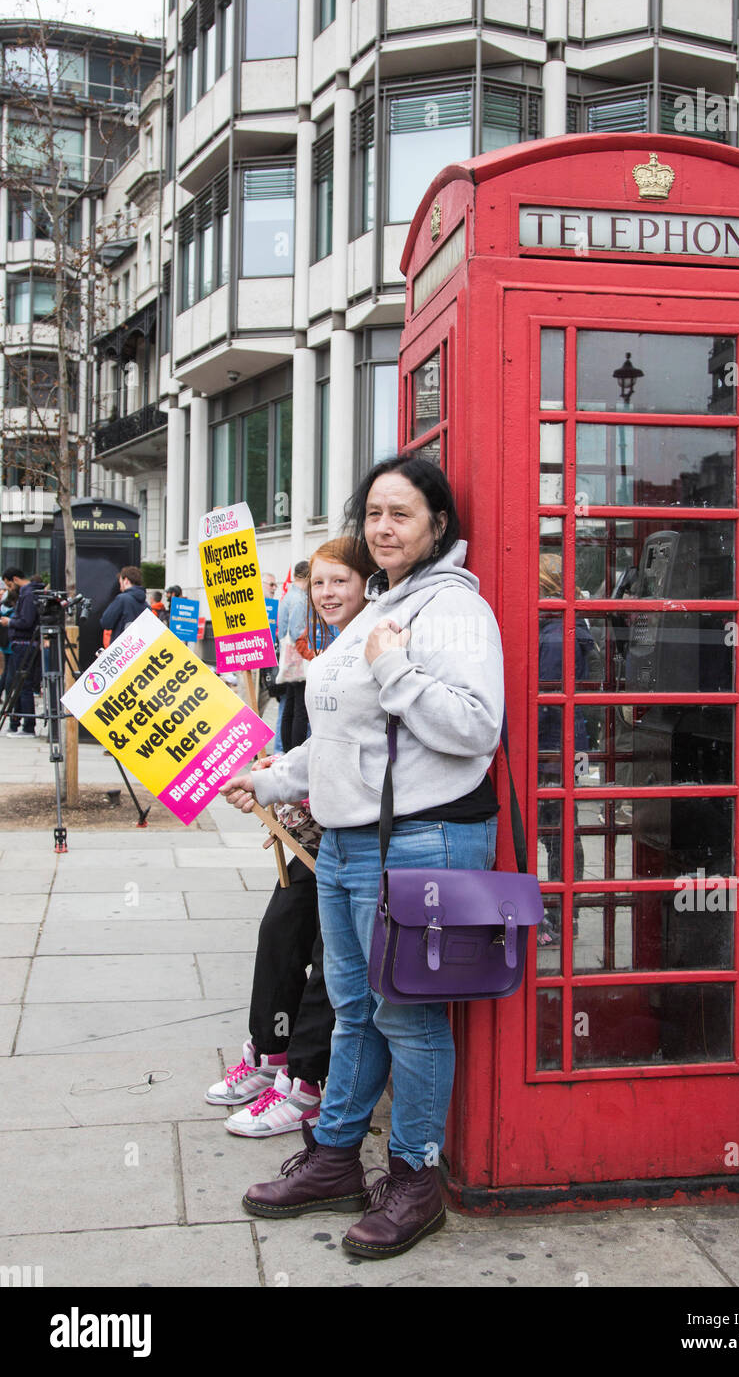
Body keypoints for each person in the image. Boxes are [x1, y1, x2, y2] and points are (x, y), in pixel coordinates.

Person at [220, 456, 504, 1260]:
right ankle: (338, 1156)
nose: (384, 527)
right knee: (352, 1008)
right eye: (374, 512)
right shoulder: (380, 603)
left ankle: (417, 1179)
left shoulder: (451, 610)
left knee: (409, 1018)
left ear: (437, 525)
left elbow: (476, 727)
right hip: (348, 843)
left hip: (420, 839)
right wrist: (273, 777)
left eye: (401, 514)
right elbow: (341, 740)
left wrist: (393, 667)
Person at [207, 537, 375, 1138]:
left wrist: (279, 776)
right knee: (282, 930)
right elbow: (320, 740)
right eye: (319, 584)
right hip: (319, 813)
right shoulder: (328, 645)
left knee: (335, 958)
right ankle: (269, 1052)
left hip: (361, 823)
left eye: (340, 582)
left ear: (366, 583)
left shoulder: (377, 640)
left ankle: (303, 1082)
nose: (327, 594)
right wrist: (273, 773)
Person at [274, 560, 310, 756]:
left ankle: (287, 750)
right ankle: (295, 752)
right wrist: (310, 655)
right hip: (298, 658)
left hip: (288, 658)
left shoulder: (289, 595)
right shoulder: (301, 599)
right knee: (300, 710)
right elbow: (297, 632)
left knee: (289, 705)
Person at [2, 565, 42, 736]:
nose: (10, 590)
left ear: (15, 580)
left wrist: (10, 622)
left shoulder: (27, 594)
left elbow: (26, 621)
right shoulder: (30, 593)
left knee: (22, 685)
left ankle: (27, 725)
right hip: (25, 644)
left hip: (24, 644)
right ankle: (16, 722)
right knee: (16, 684)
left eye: (9, 585)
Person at [100, 565, 147, 643]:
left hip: (122, 648)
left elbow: (106, 622)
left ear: (126, 581)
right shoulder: (146, 604)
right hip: (137, 648)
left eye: (120, 583)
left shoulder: (122, 599)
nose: (120, 587)